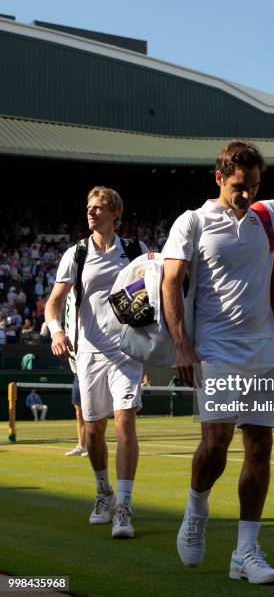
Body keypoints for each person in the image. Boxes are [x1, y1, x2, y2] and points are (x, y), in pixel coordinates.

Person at [162, 93, 274, 583]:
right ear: (220, 178)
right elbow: (169, 283)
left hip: (263, 350)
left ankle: (245, 553)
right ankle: (196, 512)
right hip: (216, 351)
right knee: (216, 442)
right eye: (240, 186)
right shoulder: (193, 222)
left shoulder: (266, 216)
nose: (247, 194)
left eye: (255, 186)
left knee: (259, 446)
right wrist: (182, 344)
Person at [45, 186, 147, 539]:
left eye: (99, 207)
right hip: (87, 353)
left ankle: (124, 506)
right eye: (89, 206)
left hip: (126, 353)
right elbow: (54, 303)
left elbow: (159, 287)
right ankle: (104, 492)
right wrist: (57, 332)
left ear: (115, 213)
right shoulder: (77, 253)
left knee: (125, 424)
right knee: (93, 431)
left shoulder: (136, 251)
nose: (91, 212)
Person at [65, 374, 88, 457]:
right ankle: (81, 447)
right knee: (79, 414)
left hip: (90, 374)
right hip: (77, 377)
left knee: (92, 413)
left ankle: (93, 447)